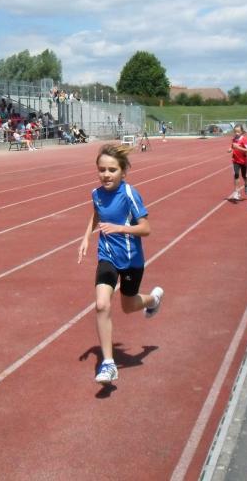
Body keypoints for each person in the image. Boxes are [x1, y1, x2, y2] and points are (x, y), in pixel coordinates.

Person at [77, 144, 164, 385]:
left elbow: (146, 228)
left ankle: (153, 300)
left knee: (128, 305)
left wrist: (119, 228)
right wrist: (86, 238)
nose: (106, 174)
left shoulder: (129, 194)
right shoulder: (96, 194)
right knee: (102, 304)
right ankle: (108, 363)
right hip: (107, 256)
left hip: (131, 260)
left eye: (112, 170)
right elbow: (97, 213)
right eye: (102, 169)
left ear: (123, 172)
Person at [228, 124, 247, 201]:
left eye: (238, 132)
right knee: (236, 175)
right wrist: (230, 149)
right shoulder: (234, 139)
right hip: (235, 160)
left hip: (243, 161)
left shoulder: (244, 139)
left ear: (241, 132)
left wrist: (238, 148)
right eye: (235, 132)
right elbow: (232, 146)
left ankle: (246, 184)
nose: (236, 133)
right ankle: (236, 192)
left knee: (244, 176)